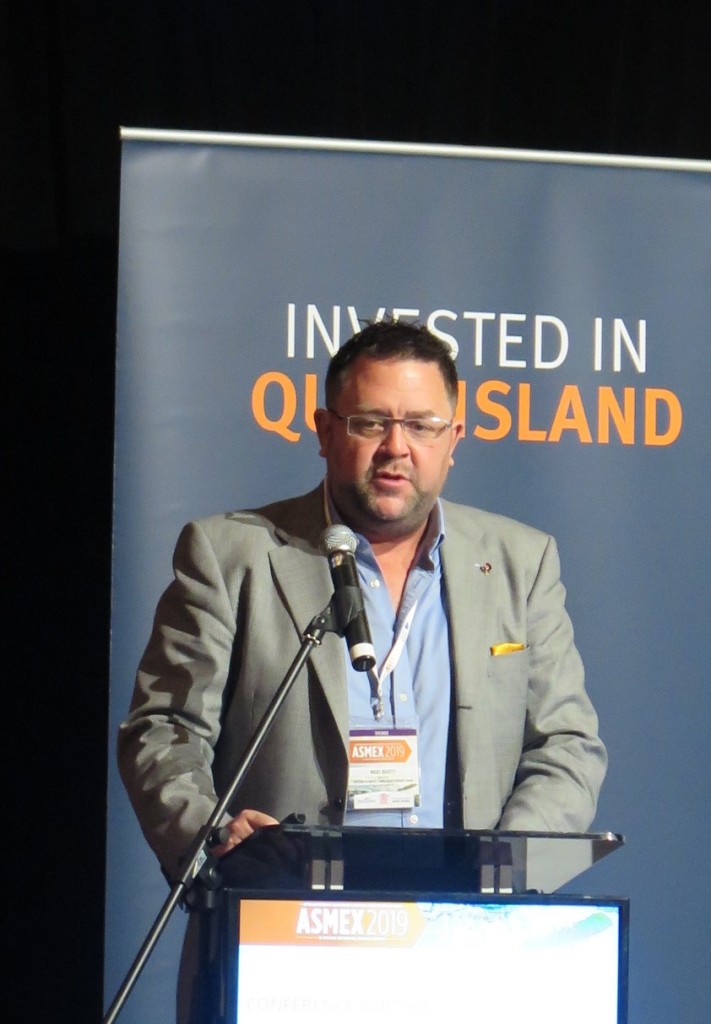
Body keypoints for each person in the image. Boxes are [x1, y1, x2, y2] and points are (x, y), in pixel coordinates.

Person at [118, 319, 606, 1007]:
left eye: (422, 425)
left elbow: (566, 743)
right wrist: (214, 835)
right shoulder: (232, 556)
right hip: (281, 941)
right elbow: (163, 731)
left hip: (464, 948)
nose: (396, 448)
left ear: (454, 440)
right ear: (324, 431)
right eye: (371, 422)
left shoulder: (520, 562)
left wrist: (504, 878)